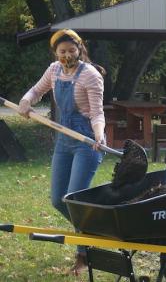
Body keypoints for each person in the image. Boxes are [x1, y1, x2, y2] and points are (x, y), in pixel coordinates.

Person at [17, 29, 106, 275]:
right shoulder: (54, 70)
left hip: (87, 141)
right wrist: (26, 101)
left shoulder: (90, 75)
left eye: (71, 50)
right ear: (56, 53)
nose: (67, 55)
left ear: (80, 49)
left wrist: (98, 135)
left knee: (73, 200)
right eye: (62, 51)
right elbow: (36, 91)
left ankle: (83, 255)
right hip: (64, 141)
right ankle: (93, 231)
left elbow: (98, 113)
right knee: (59, 200)